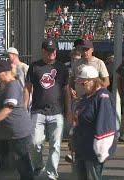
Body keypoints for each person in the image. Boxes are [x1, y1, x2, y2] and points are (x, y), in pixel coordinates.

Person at [24, 40, 71, 180]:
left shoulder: (61, 68)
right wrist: (24, 108)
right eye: (49, 50)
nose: (52, 53)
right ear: (43, 51)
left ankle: (51, 173)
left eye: (54, 50)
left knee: (55, 144)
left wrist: (68, 111)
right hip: (38, 110)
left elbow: (66, 90)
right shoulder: (34, 67)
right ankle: (38, 166)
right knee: (34, 142)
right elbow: (27, 88)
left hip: (57, 111)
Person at [0, 60, 33, 180]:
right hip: (3, 133)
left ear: (5, 72)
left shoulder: (13, 85)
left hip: (18, 133)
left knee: (23, 166)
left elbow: (8, 108)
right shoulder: (3, 86)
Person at [73, 65, 117, 180]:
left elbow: (105, 124)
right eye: (79, 83)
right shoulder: (86, 97)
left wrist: (101, 150)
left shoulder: (103, 97)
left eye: (83, 84)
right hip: (81, 147)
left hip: (93, 151)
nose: (81, 87)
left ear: (93, 81)